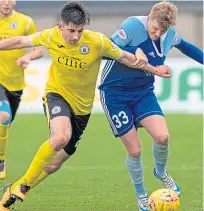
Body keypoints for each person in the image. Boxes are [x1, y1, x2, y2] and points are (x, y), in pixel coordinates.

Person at [0, 2, 172, 210]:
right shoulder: (49, 36)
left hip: (82, 109)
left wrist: (154, 69)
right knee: (60, 137)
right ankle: (24, 185)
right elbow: (20, 40)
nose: (75, 36)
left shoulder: (97, 42)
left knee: (54, 164)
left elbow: (126, 57)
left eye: (80, 31)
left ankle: (11, 191)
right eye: (71, 31)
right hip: (57, 95)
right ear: (60, 26)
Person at [98, 1, 203, 211]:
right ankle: (141, 195)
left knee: (163, 137)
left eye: (161, 31)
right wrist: (134, 50)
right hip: (114, 94)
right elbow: (106, 50)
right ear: (149, 17)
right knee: (135, 151)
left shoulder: (169, 35)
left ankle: (161, 172)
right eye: (154, 28)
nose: (156, 34)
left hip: (142, 93)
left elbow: (188, 48)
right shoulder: (132, 26)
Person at [0, 0, 44, 179]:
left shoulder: (25, 22)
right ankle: (1, 160)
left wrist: (29, 56)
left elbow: (39, 49)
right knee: (3, 115)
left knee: (5, 123)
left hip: (16, 84)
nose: (6, 3)